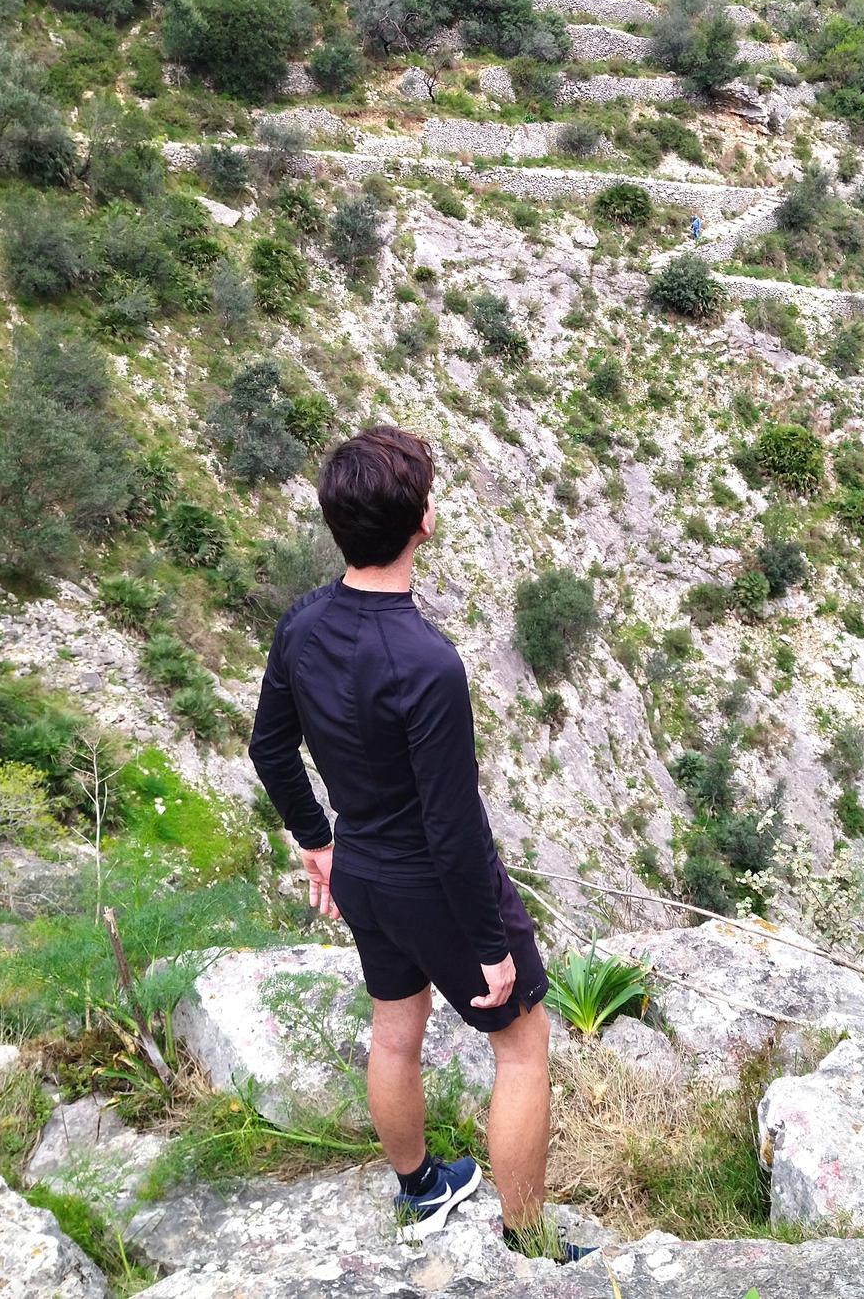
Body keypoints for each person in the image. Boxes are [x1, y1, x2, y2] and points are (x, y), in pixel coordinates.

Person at [248, 426, 587, 1262]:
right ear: (422, 524)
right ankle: (529, 1244)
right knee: (523, 1046)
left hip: (362, 869)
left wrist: (317, 842)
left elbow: (270, 746)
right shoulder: (427, 663)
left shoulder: (302, 625)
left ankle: (423, 1188)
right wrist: (489, 945)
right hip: (432, 885)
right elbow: (451, 824)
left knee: (395, 1031)